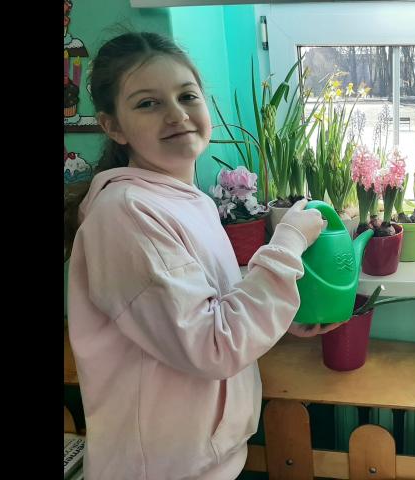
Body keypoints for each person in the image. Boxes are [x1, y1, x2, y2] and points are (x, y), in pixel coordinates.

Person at [65, 32, 335, 480]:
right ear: (114, 127)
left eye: (187, 95)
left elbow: (210, 307)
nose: (176, 114)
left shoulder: (188, 200)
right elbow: (212, 345)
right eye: (147, 103)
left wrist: (277, 316)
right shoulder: (126, 215)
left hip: (205, 461)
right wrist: (287, 242)